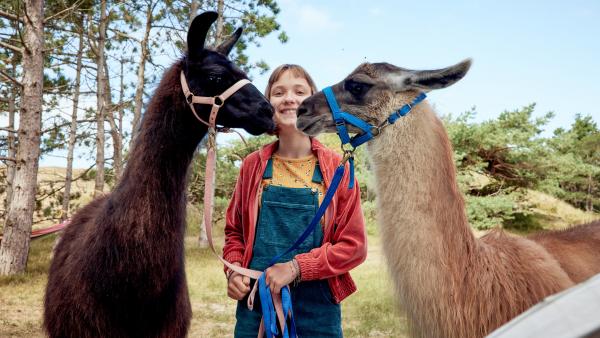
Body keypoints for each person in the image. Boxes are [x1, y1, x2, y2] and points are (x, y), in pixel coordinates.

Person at [223, 64, 367, 337]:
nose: (289, 98)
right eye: (279, 92)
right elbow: (234, 233)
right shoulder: (252, 166)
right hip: (257, 307)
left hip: (318, 311)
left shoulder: (338, 168)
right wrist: (234, 271)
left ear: (313, 102)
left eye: (299, 91)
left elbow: (354, 247)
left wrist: (296, 268)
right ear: (268, 104)